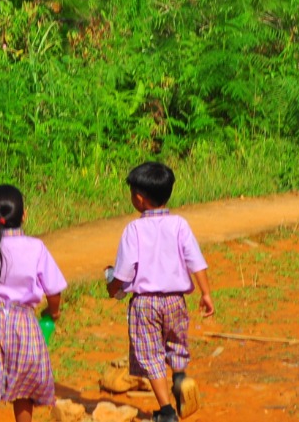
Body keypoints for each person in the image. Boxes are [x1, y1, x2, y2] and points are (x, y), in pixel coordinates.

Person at [106, 162, 214, 422]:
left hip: (145, 304)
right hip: (176, 300)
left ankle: (166, 411)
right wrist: (206, 293)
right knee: (176, 344)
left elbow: (123, 272)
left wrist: (111, 287)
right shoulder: (179, 225)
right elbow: (196, 261)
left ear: (139, 199)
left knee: (150, 354)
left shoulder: (134, 229)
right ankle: (179, 377)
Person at [0, 185, 67, 422]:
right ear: (24, 215)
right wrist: (54, 311)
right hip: (24, 320)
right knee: (24, 380)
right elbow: (54, 290)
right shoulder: (35, 247)